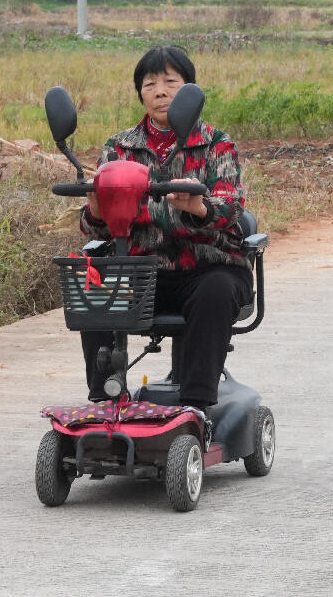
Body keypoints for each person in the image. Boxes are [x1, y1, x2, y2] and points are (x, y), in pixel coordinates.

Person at [78, 45, 250, 410]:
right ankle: (106, 400)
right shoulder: (119, 147)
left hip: (205, 267)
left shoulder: (216, 144)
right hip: (140, 271)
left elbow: (232, 207)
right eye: (150, 83)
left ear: (189, 90)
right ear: (139, 92)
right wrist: (96, 210)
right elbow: (96, 228)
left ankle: (195, 407)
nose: (160, 91)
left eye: (171, 82)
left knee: (217, 291)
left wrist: (200, 208)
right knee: (93, 290)